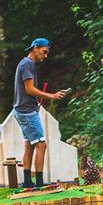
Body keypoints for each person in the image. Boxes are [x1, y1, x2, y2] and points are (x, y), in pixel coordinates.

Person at [13, 38, 66, 188]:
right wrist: (52, 96)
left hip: (23, 109)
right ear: (35, 48)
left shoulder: (27, 64)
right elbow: (29, 89)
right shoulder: (27, 64)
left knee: (30, 144)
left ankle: (28, 181)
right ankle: (40, 182)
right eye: (44, 51)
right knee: (41, 145)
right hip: (26, 111)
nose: (46, 55)